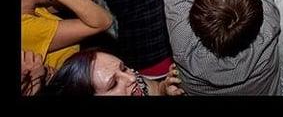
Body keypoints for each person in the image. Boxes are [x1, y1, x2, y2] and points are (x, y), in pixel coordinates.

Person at [40, 49, 184, 96]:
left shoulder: (132, 81)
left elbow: (155, 89)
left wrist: (163, 89)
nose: (132, 77)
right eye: (114, 84)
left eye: (123, 68)